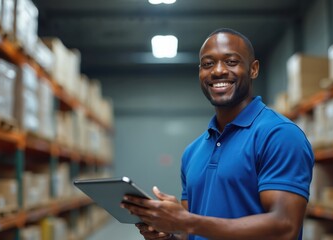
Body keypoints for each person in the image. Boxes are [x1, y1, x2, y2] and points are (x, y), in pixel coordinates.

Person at [121, 28, 314, 240]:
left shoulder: (279, 135)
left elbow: (284, 227)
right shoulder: (192, 152)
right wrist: (168, 234)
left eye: (231, 62)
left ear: (254, 69)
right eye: (207, 64)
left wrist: (186, 220)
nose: (217, 71)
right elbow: (191, 233)